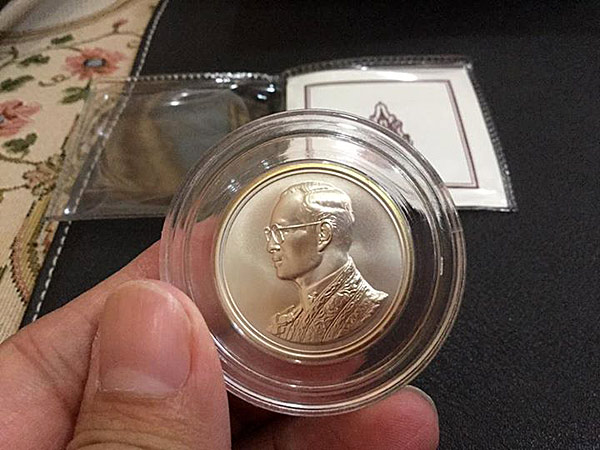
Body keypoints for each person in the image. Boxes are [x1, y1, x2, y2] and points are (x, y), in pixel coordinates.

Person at [0, 242, 439, 449]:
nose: (270, 240)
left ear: (323, 234)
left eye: (284, 229)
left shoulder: (361, 306)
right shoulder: (287, 319)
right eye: (269, 229)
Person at [265, 182, 388, 344]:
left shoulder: (370, 308)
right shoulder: (284, 325)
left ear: (323, 234)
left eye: (281, 231)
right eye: (270, 234)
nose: (271, 246)